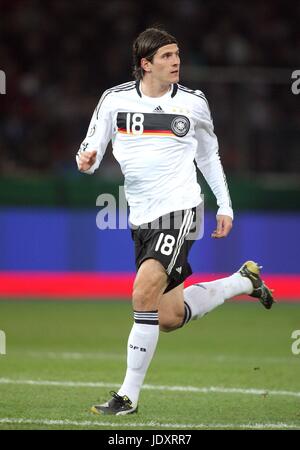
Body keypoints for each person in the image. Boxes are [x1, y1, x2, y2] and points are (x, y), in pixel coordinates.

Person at [76, 28, 274, 416]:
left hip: (181, 209)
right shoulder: (114, 100)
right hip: (141, 215)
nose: (175, 61)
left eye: (177, 54)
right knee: (166, 316)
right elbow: (91, 149)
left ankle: (127, 397)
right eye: (166, 56)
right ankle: (242, 281)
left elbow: (209, 157)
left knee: (142, 294)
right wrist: (86, 160)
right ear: (146, 64)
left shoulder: (194, 103)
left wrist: (225, 205)